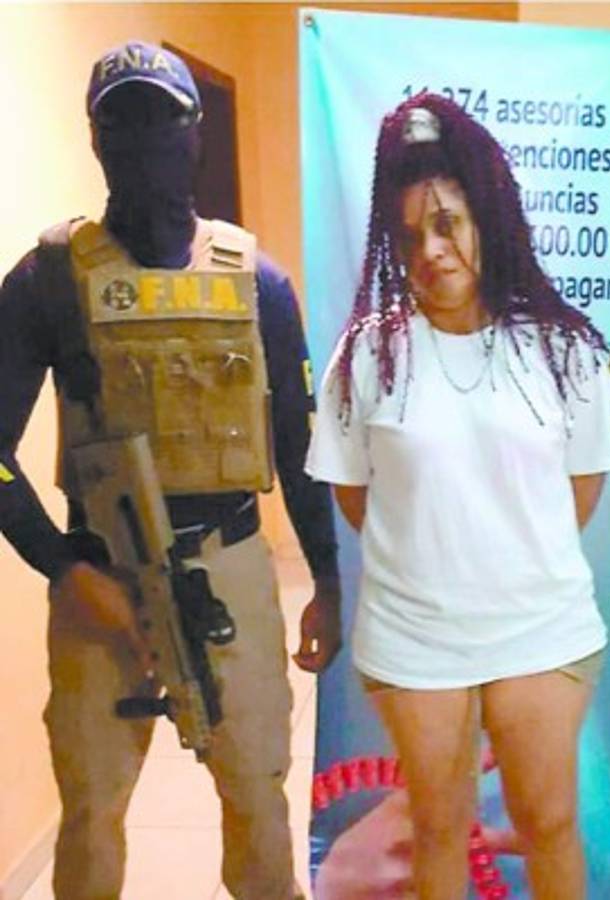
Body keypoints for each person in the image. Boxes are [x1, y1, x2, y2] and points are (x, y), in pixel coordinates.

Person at [0, 41, 341, 900]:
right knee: (92, 807)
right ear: (95, 139)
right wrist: (64, 567)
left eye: (161, 119)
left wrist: (329, 580)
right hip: (100, 576)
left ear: (193, 134)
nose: (144, 141)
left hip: (230, 568)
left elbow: (299, 444)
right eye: (123, 122)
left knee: (256, 792)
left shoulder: (257, 283)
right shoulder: (48, 279)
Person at [306, 93, 610, 900]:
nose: (431, 252)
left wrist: (503, 560)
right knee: (438, 825)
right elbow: (353, 496)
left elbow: (579, 491)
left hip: (540, 626)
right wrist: (432, 556)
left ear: (488, 218)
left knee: (549, 820)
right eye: (409, 235)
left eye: (447, 224)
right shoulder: (366, 357)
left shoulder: (564, 350)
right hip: (415, 634)